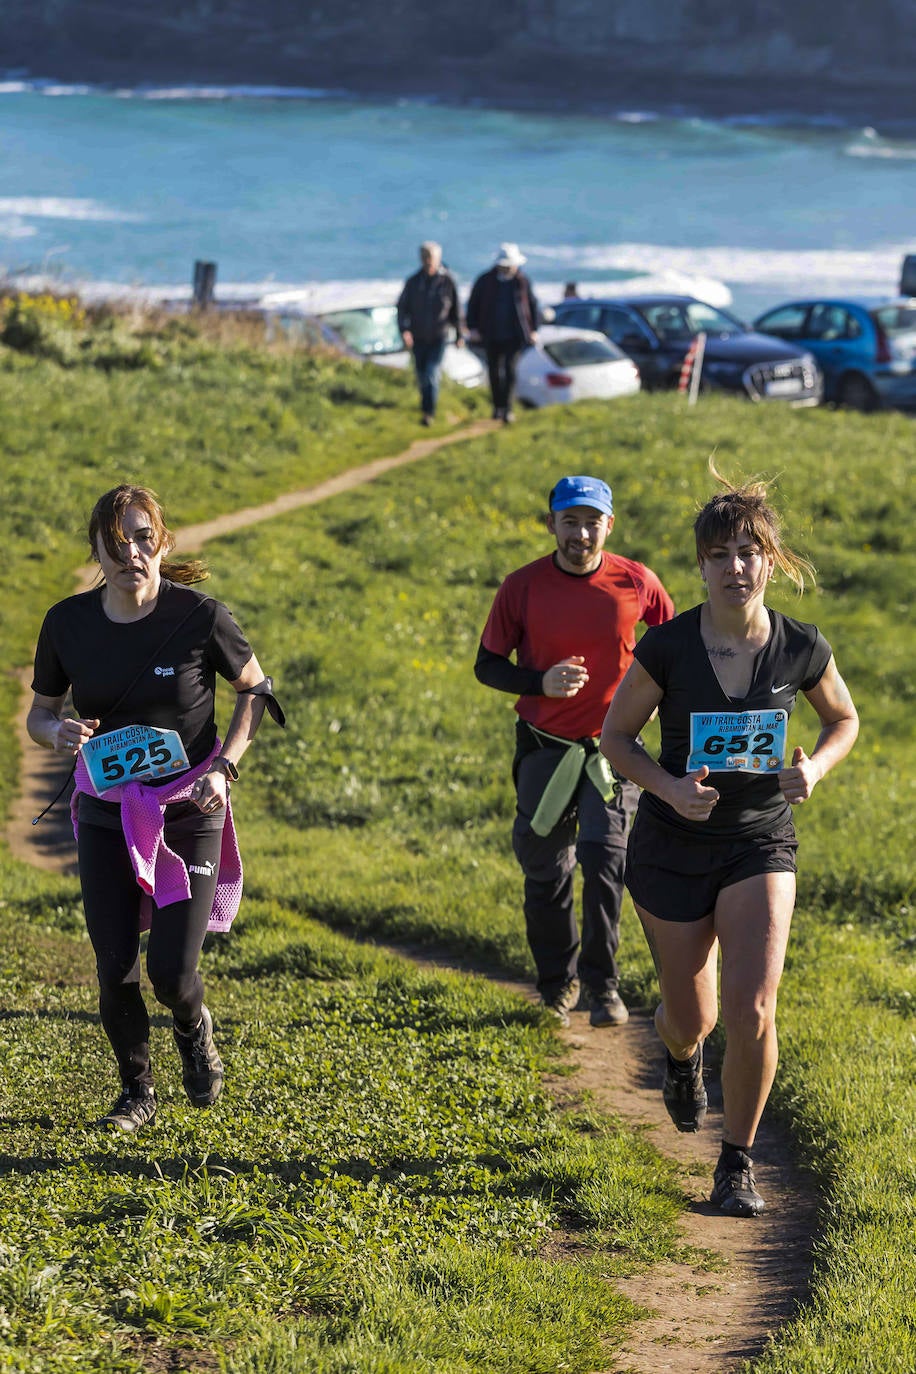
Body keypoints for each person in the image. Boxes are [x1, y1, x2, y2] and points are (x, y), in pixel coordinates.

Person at [600, 468, 858, 1216]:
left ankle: (736, 1162)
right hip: (673, 844)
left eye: (749, 551)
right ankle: (681, 1061)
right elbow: (617, 738)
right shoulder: (669, 647)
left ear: (770, 561)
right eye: (720, 555)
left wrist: (816, 766)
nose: (735, 567)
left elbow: (843, 721)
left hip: (758, 841)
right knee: (694, 1020)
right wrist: (671, 786)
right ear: (702, 566)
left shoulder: (800, 647)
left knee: (751, 1011)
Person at [27, 484, 285, 1135]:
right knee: (115, 967)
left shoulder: (199, 616)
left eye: (143, 539)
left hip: (190, 806)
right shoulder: (67, 623)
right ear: (96, 551)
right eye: (116, 543)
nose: (131, 554)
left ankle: (194, 1027)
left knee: (171, 972)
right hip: (105, 809)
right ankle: (136, 1092)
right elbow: (40, 713)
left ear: (163, 543)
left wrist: (225, 768)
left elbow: (255, 690)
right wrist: (53, 734)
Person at [475, 475, 674, 1029]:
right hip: (545, 748)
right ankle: (555, 985)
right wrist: (541, 682)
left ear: (608, 525)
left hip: (614, 753)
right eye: (570, 521)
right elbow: (486, 665)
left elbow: (673, 649)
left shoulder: (637, 582)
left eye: (592, 522)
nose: (580, 533)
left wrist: (654, 699)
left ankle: (603, 987)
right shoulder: (522, 587)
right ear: (551, 524)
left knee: (605, 859)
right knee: (545, 869)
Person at [466, 243, 540, 423]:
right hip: (490, 334)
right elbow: (473, 305)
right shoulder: (485, 281)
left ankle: (507, 408)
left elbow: (532, 306)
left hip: (514, 335)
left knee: (509, 370)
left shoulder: (522, 281)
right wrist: (473, 328)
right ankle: (497, 407)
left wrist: (534, 330)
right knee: (493, 371)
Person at [396, 240, 464, 426]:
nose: (428, 261)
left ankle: (429, 413)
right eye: (425, 257)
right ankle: (425, 405)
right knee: (421, 374)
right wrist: (405, 331)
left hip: (439, 336)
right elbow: (402, 309)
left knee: (431, 372)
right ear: (420, 258)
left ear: (438, 258)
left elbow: (456, 310)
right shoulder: (413, 282)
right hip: (418, 336)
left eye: (431, 257)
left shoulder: (447, 281)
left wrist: (459, 334)